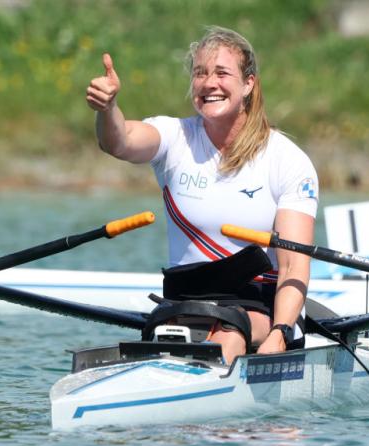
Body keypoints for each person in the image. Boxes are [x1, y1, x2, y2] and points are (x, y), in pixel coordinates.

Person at [86, 26, 318, 364]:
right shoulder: (174, 137)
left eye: (222, 73)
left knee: (225, 331)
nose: (209, 83)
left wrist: (280, 333)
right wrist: (107, 109)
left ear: (248, 84)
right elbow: (118, 142)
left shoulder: (286, 160)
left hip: (258, 305)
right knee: (177, 329)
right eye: (200, 73)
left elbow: (294, 263)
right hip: (185, 303)